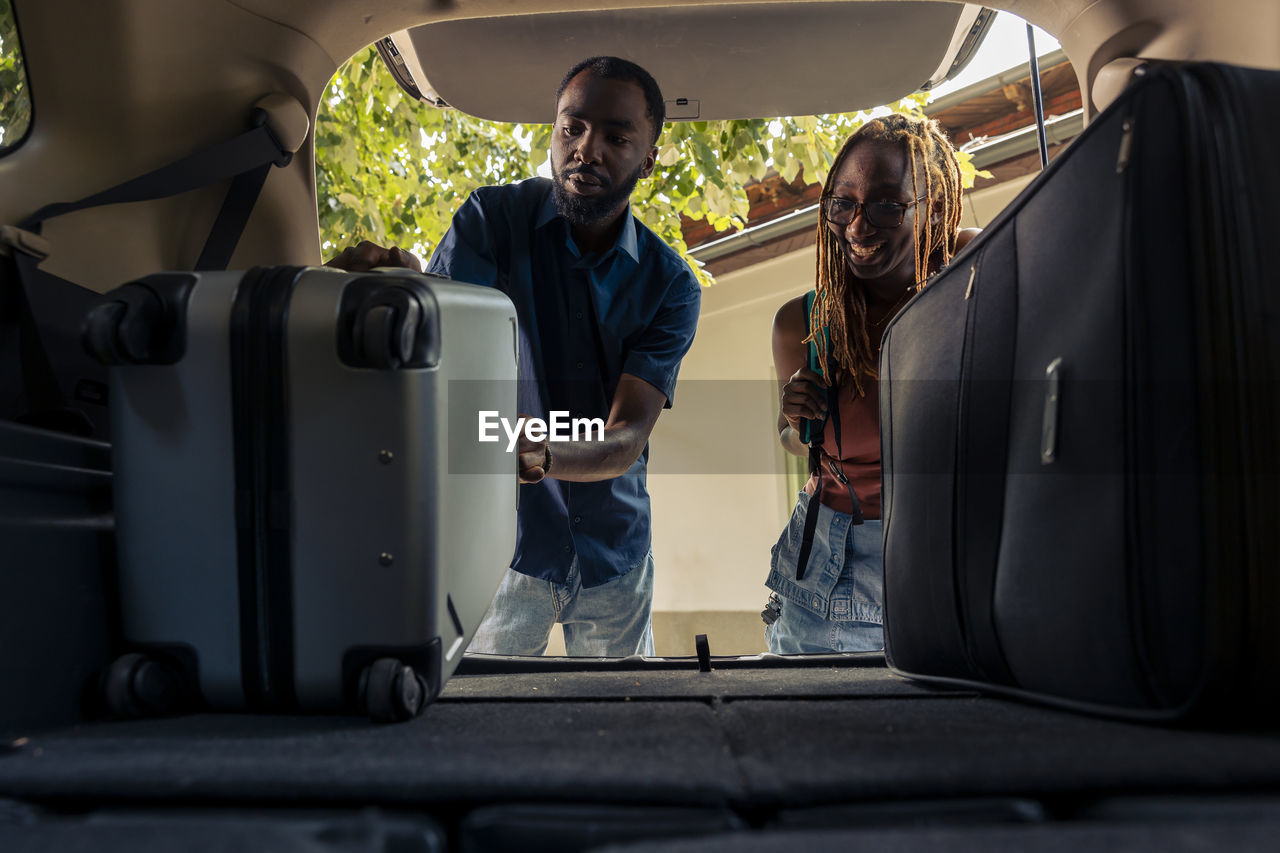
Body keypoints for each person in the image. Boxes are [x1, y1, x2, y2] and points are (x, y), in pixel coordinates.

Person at [327, 57, 700, 657]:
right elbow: (443, 338)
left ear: (648, 158)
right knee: (483, 726)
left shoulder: (671, 286)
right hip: (504, 545)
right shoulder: (491, 221)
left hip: (616, 553)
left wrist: (539, 453)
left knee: (629, 724)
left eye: (616, 137)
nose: (586, 149)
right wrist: (404, 291)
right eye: (571, 128)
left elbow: (626, 437)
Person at [765, 113, 977, 654]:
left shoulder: (972, 278)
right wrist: (796, 422)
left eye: (887, 204)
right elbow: (800, 445)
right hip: (833, 566)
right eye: (843, 202)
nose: (858, 226)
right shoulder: (803, 324)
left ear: (932, 206)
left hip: (954, 552)